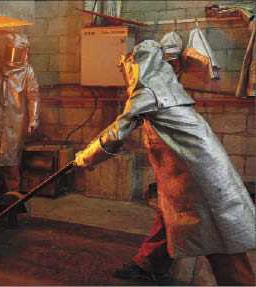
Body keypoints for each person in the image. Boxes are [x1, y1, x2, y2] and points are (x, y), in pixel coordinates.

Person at [74, 40, 255, 286]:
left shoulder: (147, 93)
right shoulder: (165, 89)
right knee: (170, 213)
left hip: (199, 175)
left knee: (218, 235)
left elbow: (115, 133)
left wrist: (84, 158)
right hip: (189, 170)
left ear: (138, 66)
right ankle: (150, 264)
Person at [0, 33, 40, 197]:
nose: (12, 56)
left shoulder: (27, 71)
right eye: (10, 51)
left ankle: (12, 201)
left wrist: (33, 120)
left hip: (14, 124)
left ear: (23, 52)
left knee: (11, 164)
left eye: (16, 52)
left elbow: (33, 96)